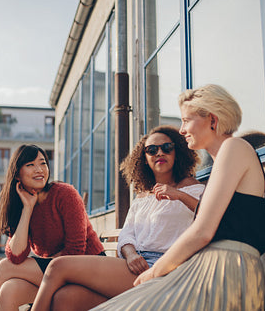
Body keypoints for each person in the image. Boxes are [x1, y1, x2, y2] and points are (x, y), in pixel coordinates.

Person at [91, 84, 265, 310]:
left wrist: (154, 272)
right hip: (210, 266)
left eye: (186, 120)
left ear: (212, 120)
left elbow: (202, 232)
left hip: (226, 269)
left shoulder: (234, 147)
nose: (182, 130)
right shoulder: (225, 159)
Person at [30, 125, 205, 311]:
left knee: (57, 267)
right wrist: (130, 255)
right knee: (65, 298)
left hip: (164, 268)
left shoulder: (191, 188)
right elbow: (127, 235)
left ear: (177, 152)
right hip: (133, 264)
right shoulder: (142, 197)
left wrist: (179, 195)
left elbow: (210, 217)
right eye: (152, 150)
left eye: (167, 148)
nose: (159, 153)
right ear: (144, 159)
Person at [0, 144, 104, 311]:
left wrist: (49, 260)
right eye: (30, 165)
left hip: (87, 269)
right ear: (17, 174)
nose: (39, 170)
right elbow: (16, 256)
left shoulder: (64, 194)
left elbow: (76, 250)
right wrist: (27, 209)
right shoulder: (22, 205)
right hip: (55, 272)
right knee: (9, 290)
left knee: (3, 268)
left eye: (43, 163)